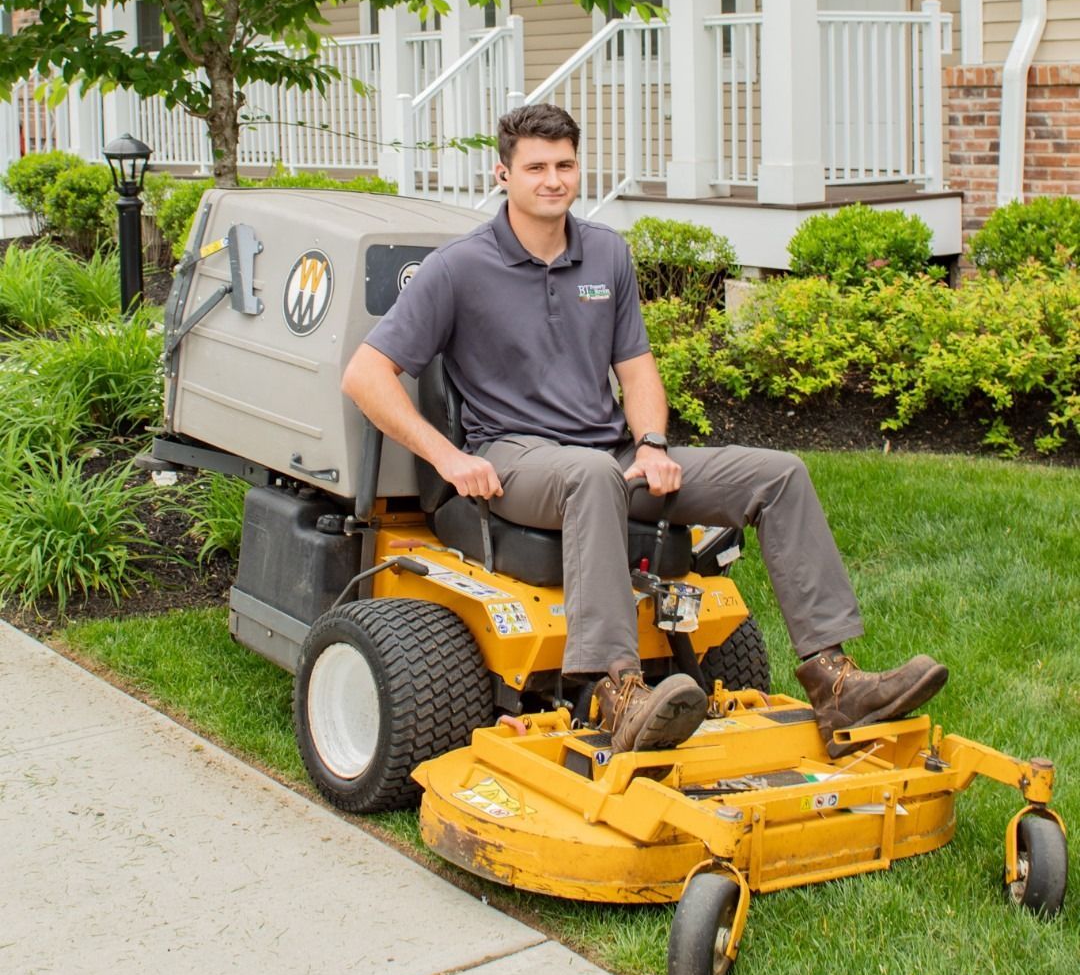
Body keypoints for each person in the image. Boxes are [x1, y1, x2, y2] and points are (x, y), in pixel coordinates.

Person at [342, 103, 948, 757]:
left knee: (779, 475)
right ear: (503, 175)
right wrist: (449, 457)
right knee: (591, 473)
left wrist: (654, 444)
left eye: (565, 164)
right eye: (537, 167)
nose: (553, 179)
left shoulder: (606, 254)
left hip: (612, 455)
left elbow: (636, 371)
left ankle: (834, 683)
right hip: (516, 459)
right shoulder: (459, 268)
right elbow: (366, 375)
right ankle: (616, 691)